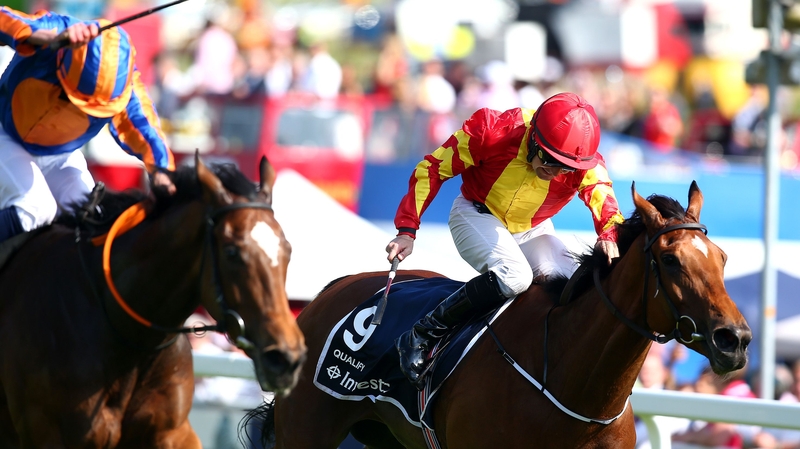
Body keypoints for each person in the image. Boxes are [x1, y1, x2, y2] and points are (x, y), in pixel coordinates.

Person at [386, 92, 625, 389]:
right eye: (551, 162)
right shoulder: (492, 130)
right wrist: (407, 229)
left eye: (566, 168)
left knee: (575, 284)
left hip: (533, 229)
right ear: (534, 140)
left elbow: (603, 195)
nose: (555, 174)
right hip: (475, 214)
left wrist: (609, 234)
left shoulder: (585, 163)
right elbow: (433, 168)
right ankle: (422, 333)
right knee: (516, 276)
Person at [0, 7, 175, 244]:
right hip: (5, 133)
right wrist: (35, 35)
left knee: (93, 220)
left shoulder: (126, 83)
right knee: (35, 208)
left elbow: (146, 130)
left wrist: (162, 170)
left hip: (59, 154)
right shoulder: (57, 29)